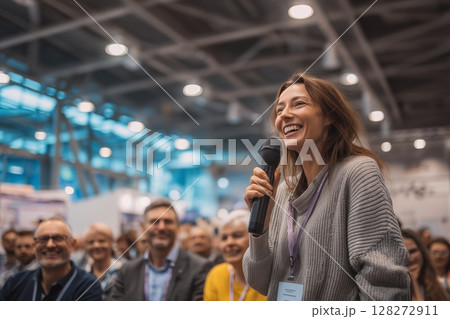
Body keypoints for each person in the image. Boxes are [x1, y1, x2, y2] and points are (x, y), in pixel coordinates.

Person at [243, 74, 410, 301]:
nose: (284, 115)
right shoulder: (282, 191)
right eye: (279, 110)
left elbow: (383, 280)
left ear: (330, 116)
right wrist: (259, 230)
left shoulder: (358, 172)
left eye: (298, 104)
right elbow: (261, 283)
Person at [110, 198, 211, 301]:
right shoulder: (127, 271)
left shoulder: (199, 268)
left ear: (177, 227)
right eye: (155, 222)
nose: (161, 227)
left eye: (167, 222)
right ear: (143, 228)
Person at [0, 217, 102, 301]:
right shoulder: (15, 283)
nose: (50, 245)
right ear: (34, 246)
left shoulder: (88, 286)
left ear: (72, 244)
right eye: (43, 239)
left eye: (58, 238)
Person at [203, 210, 266, 301]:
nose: (229, 243)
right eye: (224, 238)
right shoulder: (216, 275)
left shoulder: (269, 279)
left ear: (254, 237)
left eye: (237, 236)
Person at [402, 230, 449, 301]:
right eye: (403, 253)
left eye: (413, 251)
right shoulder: (391, 291)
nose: (409, 258)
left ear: (422, 252)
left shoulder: (436, 286)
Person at [84, 223, 123, 300]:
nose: (96, 245)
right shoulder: (81, 274)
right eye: (91, 242)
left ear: (111, 242)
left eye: (101, 241)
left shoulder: (124, 270)